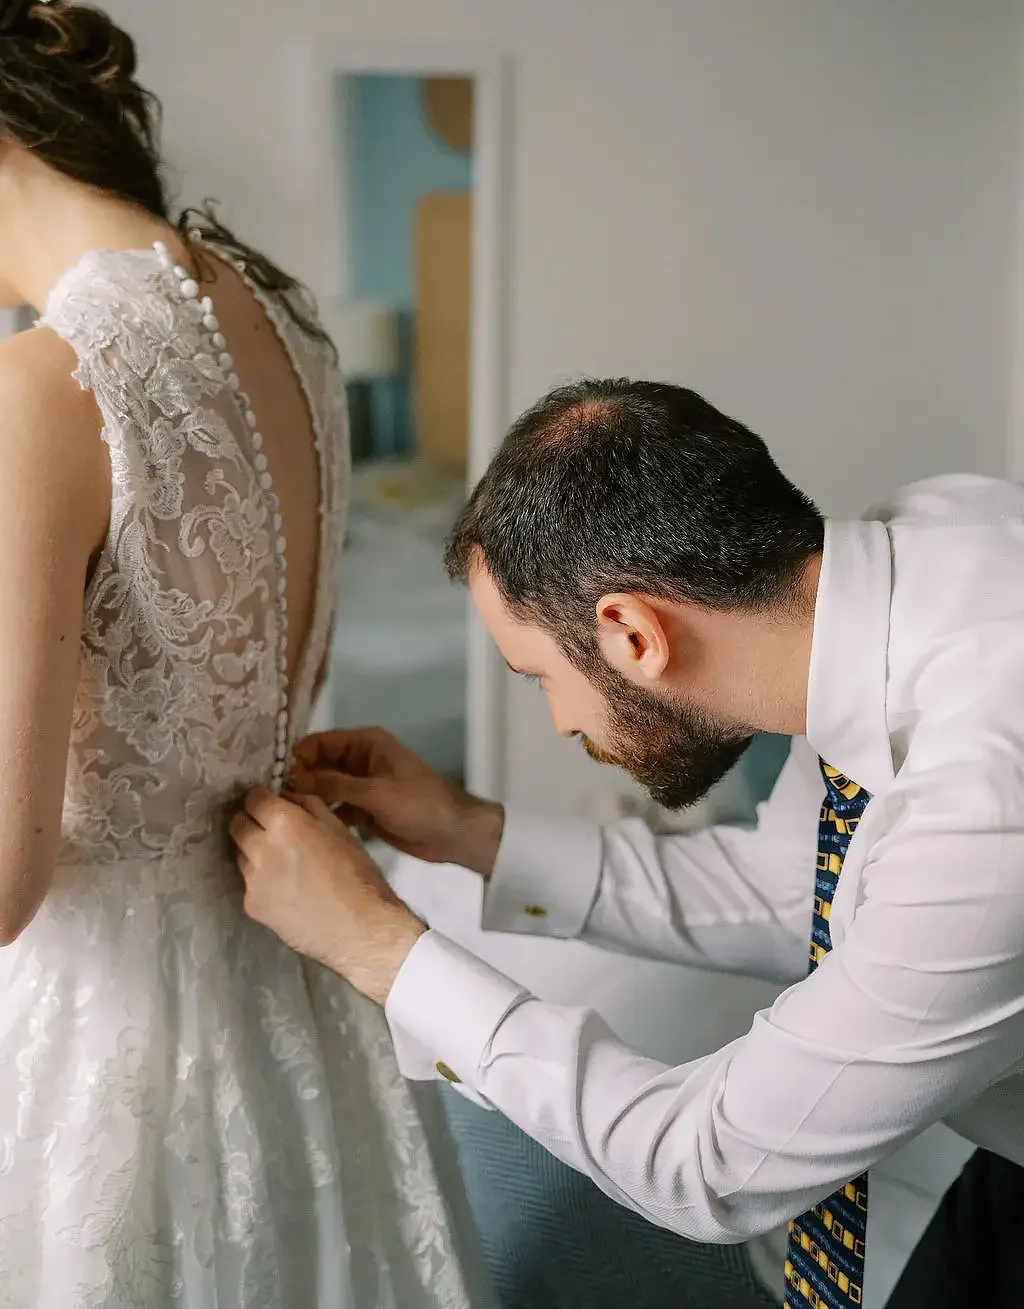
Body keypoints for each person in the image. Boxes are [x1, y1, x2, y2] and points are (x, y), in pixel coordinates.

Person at [234, 378, 1024, 1309]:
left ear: (633, 633)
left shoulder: (985, 809)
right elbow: (802, 891)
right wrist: (468, 831)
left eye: (540, 678)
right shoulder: (940, 529)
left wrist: (380, 947)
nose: (565, 723)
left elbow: (712, 1163)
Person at [0, 2, 489, 1305]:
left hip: (108, 1025)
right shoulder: (286, 315)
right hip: (280, 962)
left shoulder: (44, 384)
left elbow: (3, 876)